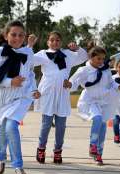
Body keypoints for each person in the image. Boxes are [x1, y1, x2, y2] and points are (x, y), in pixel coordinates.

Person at [0, 21, 40, 174]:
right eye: (13, 34)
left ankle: (18, 166)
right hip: (2, 99)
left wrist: (34, 89)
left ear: (24, 37)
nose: (17, 38)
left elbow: (30, 74)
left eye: (21, 35)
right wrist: (10, 82)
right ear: (6, 35)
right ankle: (0, 158)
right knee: (2, 132)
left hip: (20, 98)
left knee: (11, 127)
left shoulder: (28, 53)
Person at [28, 32, 88, 164]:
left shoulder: (67, 54)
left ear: (61, 42)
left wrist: (77, 48)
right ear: (48, 42)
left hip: (62, 93)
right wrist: (30, 45)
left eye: (58, 40)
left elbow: (84, 57)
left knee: (61, 126)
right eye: (52, 40)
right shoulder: (43, 54)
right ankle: (41, 149)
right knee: (46, 124)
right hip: (48, 93)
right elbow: (28, 60)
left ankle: (57, 152)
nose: (55, 42)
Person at [69, 46, 120, 165]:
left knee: (103, 127)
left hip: (104, 101)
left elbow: (111, 83)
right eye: (98, 59)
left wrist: (118, 87)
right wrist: (68, 84)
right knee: (97, 118)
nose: (101, 61)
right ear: (91, 57)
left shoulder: (105, 70)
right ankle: (93, 145)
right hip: (90, 101)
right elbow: (73, 81)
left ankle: (99, 154)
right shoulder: (83, 70)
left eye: (102, 59)